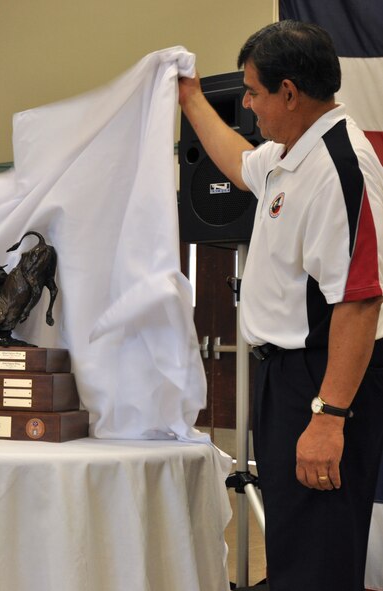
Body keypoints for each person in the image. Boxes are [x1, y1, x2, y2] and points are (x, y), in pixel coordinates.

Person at [179, 20, 383, 590]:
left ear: (289, 93)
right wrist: (191, 97)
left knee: (318, 554)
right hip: (287, 378)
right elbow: (237, 160)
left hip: (323, 381)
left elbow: (361, 302)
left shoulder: (339, 166)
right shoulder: (291, 153)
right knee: (295, 546)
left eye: (253, 91)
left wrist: (330, 417)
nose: (247, 102)